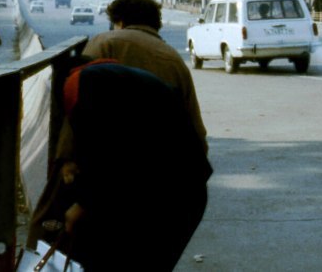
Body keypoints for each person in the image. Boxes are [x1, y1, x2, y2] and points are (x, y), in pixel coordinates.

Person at [46, 60, 212, 271]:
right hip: (186, 189)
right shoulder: (120, 81)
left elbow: (105, 154)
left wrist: (82, 204)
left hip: (168, 193)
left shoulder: (78, 85)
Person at [80, 0, 207, 153]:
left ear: (120, 22)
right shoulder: (174, 59)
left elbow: (77, 106)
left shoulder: (104, 44)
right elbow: (196, 129)